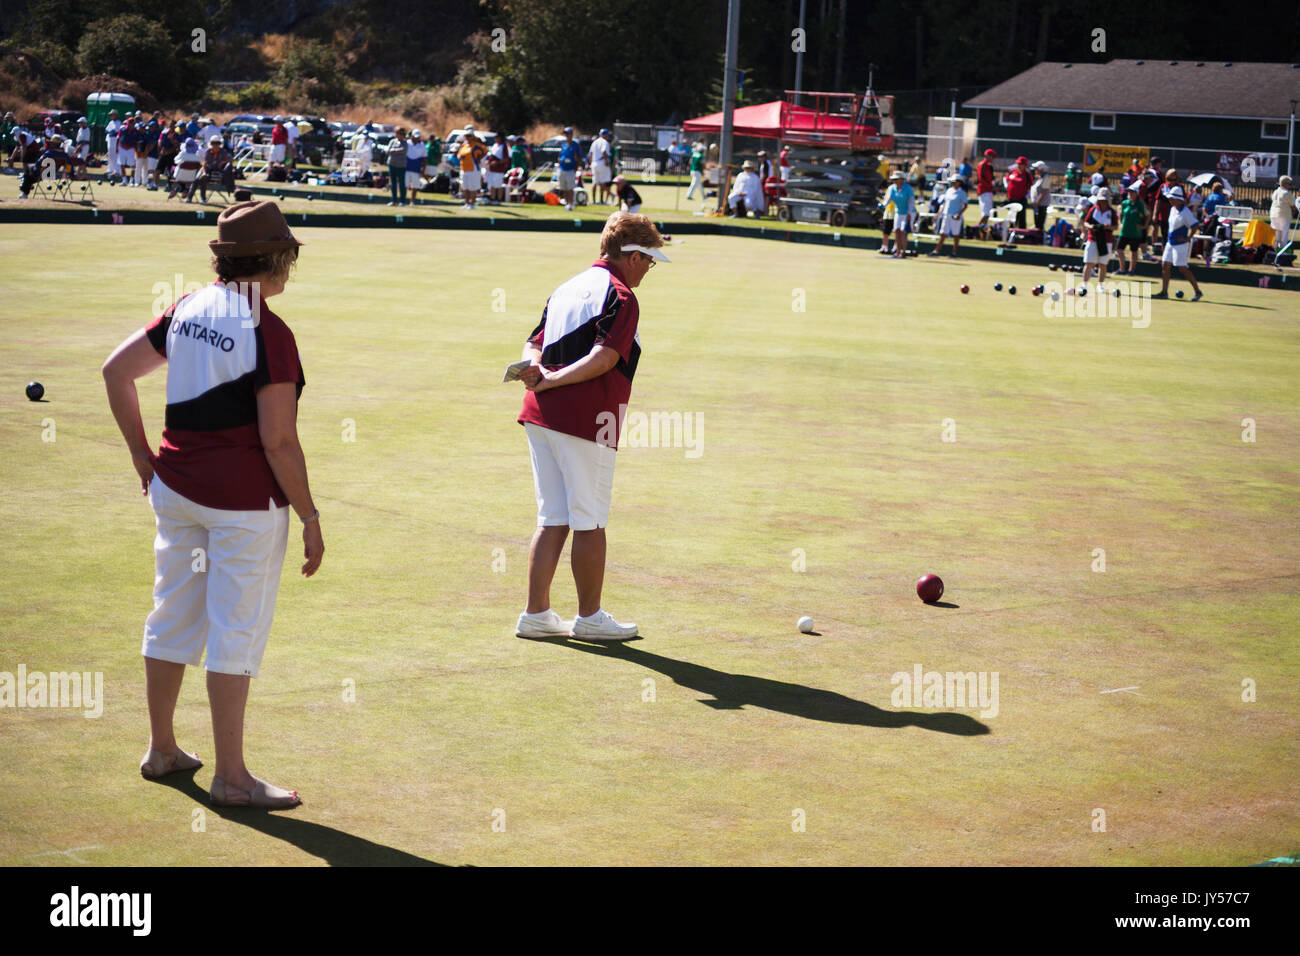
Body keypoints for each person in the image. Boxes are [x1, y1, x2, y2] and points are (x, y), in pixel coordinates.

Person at [101, 200, 321, 808]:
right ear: (276, 261)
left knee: (172, 614)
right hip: (244, 505)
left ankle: (162, 749)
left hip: (174, 491)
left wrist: (144, 459)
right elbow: (278, 441)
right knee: (235, 630)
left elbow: (114, 372)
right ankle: (232, 778)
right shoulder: (269, 331)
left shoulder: (187, 306)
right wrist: (309, 516)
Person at [513, 212, 668, 641]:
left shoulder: (568, 285)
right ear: (633, 256)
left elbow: (534, 342)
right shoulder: (621, 295)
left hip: (539, 415)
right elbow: (605, 358)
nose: (648, 271)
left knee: (553, 516)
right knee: (590, 520)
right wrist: (553, 377)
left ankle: (537, 615)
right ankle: (589, 618)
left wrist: (538, 371)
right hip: (586, 420)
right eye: (649, 262)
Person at [1153, 187, 1203, 300]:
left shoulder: (1185, 212)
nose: (1170, 200)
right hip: (1170, 242)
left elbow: (1195, 226)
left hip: (1180, 244)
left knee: (1182, 268)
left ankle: (1197, 291)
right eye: (1170, 198)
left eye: (1172, 198)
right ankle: (1164, 292)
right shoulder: (1172, 209)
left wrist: (1187, 238)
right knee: (1165, 265)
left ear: (1179, 199)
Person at [1080, 188, 1115, 284]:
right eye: (1101, 200)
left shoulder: (1112, 212)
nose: (1103, 202)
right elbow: (1086, 222)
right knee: (1089, 263)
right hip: (1092, 239)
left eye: (1105, 200)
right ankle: (1084, 285)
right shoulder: (1093, 210)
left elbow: (1116, 227)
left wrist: (1108, 227)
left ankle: (1100, 285)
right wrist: (1091, 227)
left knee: (1103, 264)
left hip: (1106, 240)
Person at [928, 174, 968, 258]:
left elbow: (965, 206)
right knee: (943, 233)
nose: (953, 183)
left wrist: (959, 214)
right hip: (946, 215)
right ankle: (936, 251)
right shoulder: (949, 190)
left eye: (955, 182)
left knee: (955, 235)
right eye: (952, 182)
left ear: (959, 183)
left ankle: (954, 252)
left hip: (955, 217)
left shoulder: (962, 193)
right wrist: (939, 213)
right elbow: (945, 203)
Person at [1115, 183, 1146, 275]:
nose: (1130, 194)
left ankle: (1131, 270)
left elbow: (1147, 215)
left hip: (1135, 233)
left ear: (1136, 193)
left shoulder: (1140, 204)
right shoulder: (1125, 203)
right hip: (1124, 231)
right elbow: (1121, 214)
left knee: (1134, 251)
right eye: (1129, 192)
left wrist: (1143, 226)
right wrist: (1120, 223)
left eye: (1132, 192)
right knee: (1119, 249)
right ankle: (1122, 269)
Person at [883, 170, 915, 259]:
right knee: (896, 231)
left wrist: (909, 213)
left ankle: (903, 252)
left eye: (896, 179)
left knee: (903, 232)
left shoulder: (908, 188)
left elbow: (911, 202)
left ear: (902, 180)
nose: (894, 181)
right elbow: (888, 199)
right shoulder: (892, 188)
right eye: (894, 179)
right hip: (898, 212)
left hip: (908, 212)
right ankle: (897, 251)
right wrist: (883, 205)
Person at [457, 129, 486, 209]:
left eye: (469, 136)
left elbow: (485, 151)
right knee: (465, 187)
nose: (468, 138)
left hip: (473, 169)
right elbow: (459, 154)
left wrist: (479, 158)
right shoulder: (464, 145)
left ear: (473, 137)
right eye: (466, 136)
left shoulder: (476, 145)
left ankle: (472, 204)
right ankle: (466, 203)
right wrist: (460, 157)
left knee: (472, 188)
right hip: (464, 169)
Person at [557, 126, 583, 211]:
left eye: (568, 134)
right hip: (562, 168)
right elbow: (560, 155)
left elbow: (579, 157)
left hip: (571, 169)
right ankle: (566, 203)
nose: (567, 136)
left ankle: (571, 204)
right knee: (564, 188)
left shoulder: (575, 145)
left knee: (570, 188)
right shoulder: (563, 144)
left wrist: (578, 166)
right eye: (566, 134)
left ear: (571, 134)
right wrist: (559, 160)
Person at [1269, 175, 1297, 247]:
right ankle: (1283, 248)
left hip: (1273, 214)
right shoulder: (1287, 193)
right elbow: (1292, 204)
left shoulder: (1275, 192)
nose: (1290, 186)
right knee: (1284, 233)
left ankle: (1273, 248)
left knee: (1275, 232)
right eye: (1290, 184)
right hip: (1284, 215)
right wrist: (1295, 211)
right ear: (1286, 184)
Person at [588, 129, 613, 205]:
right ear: (604, 135)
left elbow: (590, 154)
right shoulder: (605, 142)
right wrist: (606, 161)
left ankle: (594, 200)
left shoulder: (594, 142)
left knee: (595, 182)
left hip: (594, 164)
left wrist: (591, 164)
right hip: (602, 163)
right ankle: (601, 201)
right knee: (602, 182)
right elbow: (603, 151)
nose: (608, 136)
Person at [1005, 155, 1031, 228]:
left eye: (1021, 164)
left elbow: (1030, 187)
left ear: (1025, 165)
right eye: (1018, 164)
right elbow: (1006, 179)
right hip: (1012, 198)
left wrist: (1026, 196)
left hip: (1021, 199)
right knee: (1012, 217)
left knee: (1021, 217)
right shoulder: (1012, 172)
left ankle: (1022, 234)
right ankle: (1011, 232)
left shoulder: (1027, 175)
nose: (1019, 165)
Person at [975, 148, 996, 235]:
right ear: (987, 156)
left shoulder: (988, 165)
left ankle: (982, 231)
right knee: (986, 213)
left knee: (988, 213)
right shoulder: (983, 165)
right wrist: (991, 186)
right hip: (984, 190)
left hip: (987, 190)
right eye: (992, 156)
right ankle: (976, 230)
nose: (993, 158)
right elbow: (983, 178)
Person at [386, 127, 408, 206]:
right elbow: (388, 151)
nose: (399, 135)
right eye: (398, 133)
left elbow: (403, 150)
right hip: (392, 164)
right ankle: (394, 200)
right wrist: (394, 150)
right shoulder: (392, 141)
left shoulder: (405, 142)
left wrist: (395, 150)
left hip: (401, 166)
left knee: (402, 183)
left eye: (400, 134)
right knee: (393, 183)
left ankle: (402, 201)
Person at [406, 129, 428, 205]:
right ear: (412, 136)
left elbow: (424, 158)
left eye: (418, 137)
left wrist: (423, 170)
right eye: (415, 137)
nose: (416, 138)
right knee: (405, 185)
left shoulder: (422, 145)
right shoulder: (407, 143)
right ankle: (403, 200)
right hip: (407, 168)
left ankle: (412, 201)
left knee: (415, 186)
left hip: (416, 168)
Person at [1027, 161, 1050, 230]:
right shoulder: (1039, 178)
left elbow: (1044, 191)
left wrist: (1037, 201)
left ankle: (1040, 237)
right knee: (1037, 222)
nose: (1035, 170)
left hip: (1041, 204)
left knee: (1040, 222)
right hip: (1037, 205)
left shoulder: (1046, 177)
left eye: (1036, 168)